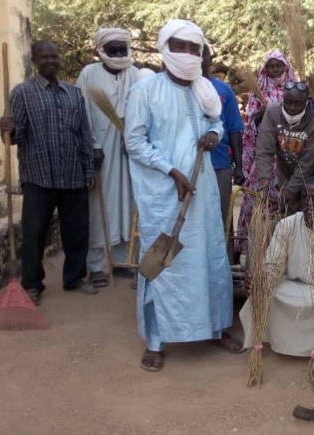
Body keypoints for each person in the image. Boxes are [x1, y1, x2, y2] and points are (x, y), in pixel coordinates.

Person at [124, 19, 242, 372]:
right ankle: (157, 340)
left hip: (201, 190)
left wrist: (212, 134)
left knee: (210, 257)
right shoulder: (145, 91)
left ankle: (215, 328)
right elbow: (134, 142)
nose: (189, 54)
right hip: (163, 194)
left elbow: (217, 122)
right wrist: (171, 171)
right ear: (164, 49)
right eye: (181, 46)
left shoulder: (203, 89)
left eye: (195, 48)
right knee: (165, 264)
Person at [0, 40, 96, 305]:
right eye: (44, 57)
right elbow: (15, 137)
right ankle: (32, 284)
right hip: (38, 176)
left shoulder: (74, 93)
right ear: (35, 61)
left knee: (76, 230)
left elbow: (83, 135)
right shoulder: (22, 93)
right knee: (34, 232)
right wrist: (7, 128)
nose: (50, 61)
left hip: (72, 173)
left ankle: (74, 277)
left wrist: (88, 169)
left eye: (54, 56)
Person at [238, 176, 314, 363]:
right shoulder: (287, 225)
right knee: (262, 294)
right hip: (294, 287)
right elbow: (272, 265)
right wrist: (261, 280)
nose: (310, 204)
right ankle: (271, 340)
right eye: (306, 198)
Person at [75, 28, 139, 287]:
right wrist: (92, 146)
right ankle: (96, 266)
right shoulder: (89, 74)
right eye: (113, 49)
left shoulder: (135, 75)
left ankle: (122, 260)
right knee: (99, 207)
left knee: (129, 206)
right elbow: (81, 112)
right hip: (101, 152)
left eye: (123, 49)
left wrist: (134, 139)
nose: (119, 54)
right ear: (101, 50)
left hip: (130, 152)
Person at [237, 50, 298, 254]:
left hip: (287, 160)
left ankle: (282, 249)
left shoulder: (295, 91)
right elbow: (249, 128)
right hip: (265, 159)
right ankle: (255, 248)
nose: (274, 70)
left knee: (283, 203)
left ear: (285, 67)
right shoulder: (258, 93)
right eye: (270, 66)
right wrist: (259, 117)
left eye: (277, 66)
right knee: (258, 201)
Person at [254, 81, 314, 212]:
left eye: (298, 103)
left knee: (309, 213)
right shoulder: (272, 113)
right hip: (285, 172)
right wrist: (264, 183)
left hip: (311, 176)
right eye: (288, 102)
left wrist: (291, 190)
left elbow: (307, 162)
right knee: (288, 214)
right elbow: (264, 151)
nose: (292, 108)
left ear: (306, 102)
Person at [202, 43, 245, 263]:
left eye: (204, 56)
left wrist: (238, 165)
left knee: (223, 215)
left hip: (219, 164)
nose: (200, 61)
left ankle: (227, 263)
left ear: (210, 61)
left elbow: (235, 129)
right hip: (187, 165)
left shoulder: (223, 90)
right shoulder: (178, 90)